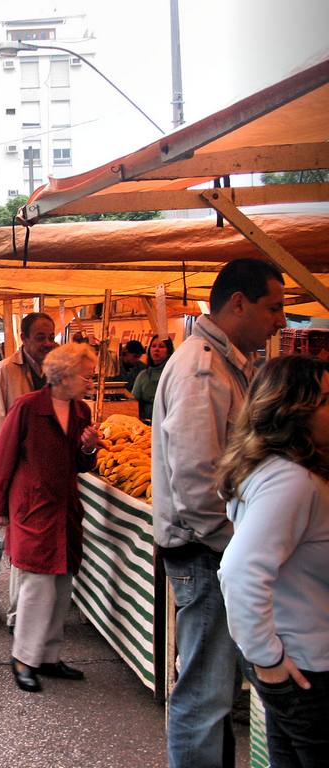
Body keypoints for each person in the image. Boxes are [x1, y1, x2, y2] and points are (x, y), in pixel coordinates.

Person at [152, 257, 287, 768]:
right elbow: (196, 477)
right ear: (238, 303)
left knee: (212, 690)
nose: (280, 320)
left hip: (215, 550)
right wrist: (234, 547)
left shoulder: (226, 361)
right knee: (204, 696)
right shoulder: (201, 367)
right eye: (273, 307)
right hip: (207, 553)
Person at [215, 355, 329, 767]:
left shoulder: (278, 470)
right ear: (293, 410)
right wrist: (270, 660)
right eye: (326, 400)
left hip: (296, 653)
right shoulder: (291, 480)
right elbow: (240, 571)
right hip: (305, 664)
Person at [0, 343, 99, 693]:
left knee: (62, 585)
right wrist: (0, 506)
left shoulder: (81, 411)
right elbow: (1, 461)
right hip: (33, 507)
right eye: (87, 375)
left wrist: (88, 447)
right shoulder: (27, 407)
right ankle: (23, 658)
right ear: (64, 375)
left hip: (65, 507)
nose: (91, 382)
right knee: (37, 586)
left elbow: (81, 466)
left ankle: (48, 656)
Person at [0, 311, 58, 633]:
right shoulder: (4, 373)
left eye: (49, 336)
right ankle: (18, 619)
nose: (46, 343)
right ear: (24, 338)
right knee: (23, 549)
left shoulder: (56, 369)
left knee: (42, 549)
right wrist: (1, 483)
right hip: (19, 474)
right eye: (39, 337)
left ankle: (40, 619)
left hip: (49, 473)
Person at [130, 335, 174, 422]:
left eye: (161, 346)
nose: (156, 349)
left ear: (169, 351)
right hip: (145, 426)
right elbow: (133, 402)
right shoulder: (143, 375)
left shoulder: (174, 374)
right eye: (153, 346)